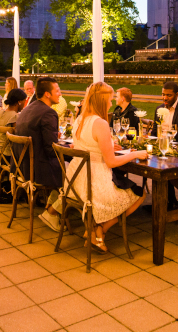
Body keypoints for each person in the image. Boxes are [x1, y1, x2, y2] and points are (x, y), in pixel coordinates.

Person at [67, 82, 147, 253]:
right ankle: (101, 229)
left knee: (125, 183)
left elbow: (77, 146)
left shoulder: (80, 119)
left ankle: (96, 231)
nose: (111, 104)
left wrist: (108, 146)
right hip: (95, 184)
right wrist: (135, 154)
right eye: (110, 100)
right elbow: (111, 163)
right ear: (103, 101)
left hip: (76, 181)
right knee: (140, 193)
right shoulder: (100, 123)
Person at [14, 77, 63, 230]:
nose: (60, 94)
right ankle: (52, 212)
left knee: (69, 166)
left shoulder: (28, 108)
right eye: (57, 91)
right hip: (38, 170)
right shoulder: (48, 113)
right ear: (47, 94)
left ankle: (51, 206)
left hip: (21, 166)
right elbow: (51, 149)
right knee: (78, 173)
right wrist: (71, 149)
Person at [150, 81, 178, 208]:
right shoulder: (159, 109)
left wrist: (174, 146)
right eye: (163, 94)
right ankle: (167, 202)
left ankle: (171, 202)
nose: (165, 98)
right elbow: (155, 132)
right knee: (153, 167)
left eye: (169, 95)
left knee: (164, 169)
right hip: (161, 149)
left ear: (177, 94)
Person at [0, 88, 28, 191]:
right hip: (11, 155)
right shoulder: (15, 117)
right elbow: (20, 137)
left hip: (0, 153)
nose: (25, 104)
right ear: (19, 102)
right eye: (24, 101)